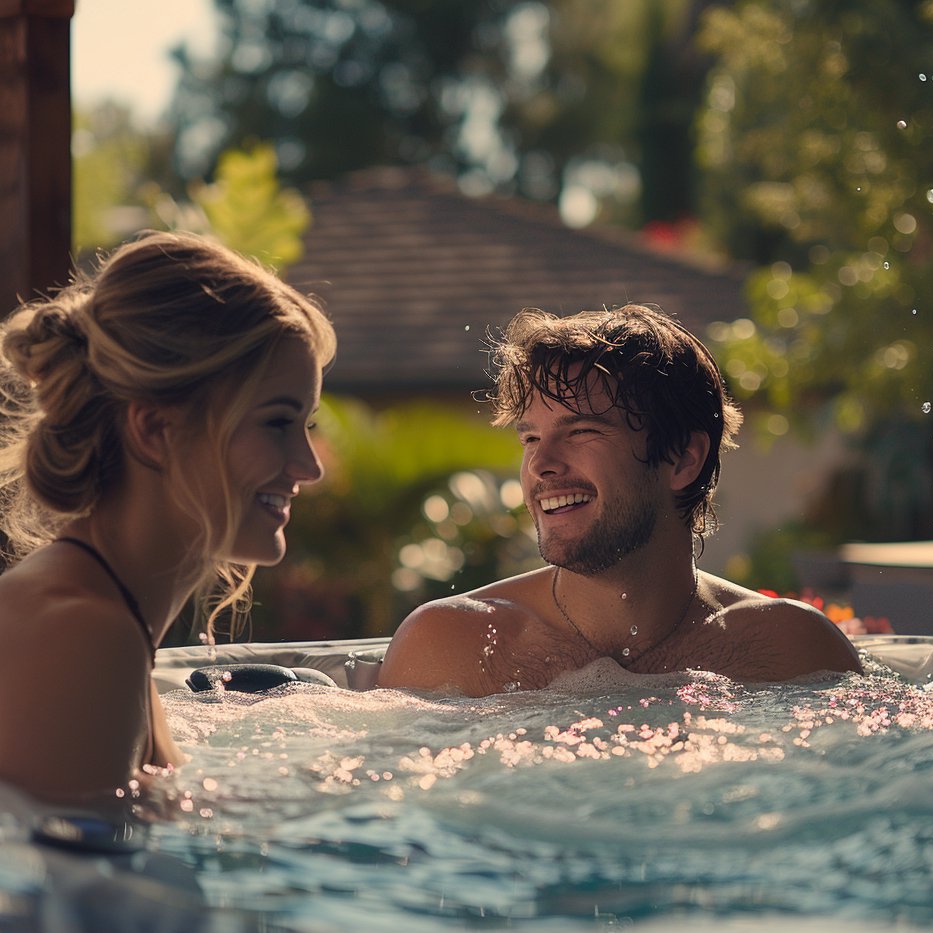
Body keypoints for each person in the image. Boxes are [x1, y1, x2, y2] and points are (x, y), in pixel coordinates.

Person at [0, 231, 336, 803]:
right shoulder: (84, 638)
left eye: (306, 423)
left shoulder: (107, 623)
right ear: (156, 430)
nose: (310, 468)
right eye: (278, 422)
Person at [378, 303, 861, 696]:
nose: (540, 465)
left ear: (682, 460)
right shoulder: (447, 646)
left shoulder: (793, 651)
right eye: (529, 439)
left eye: (582, 431)